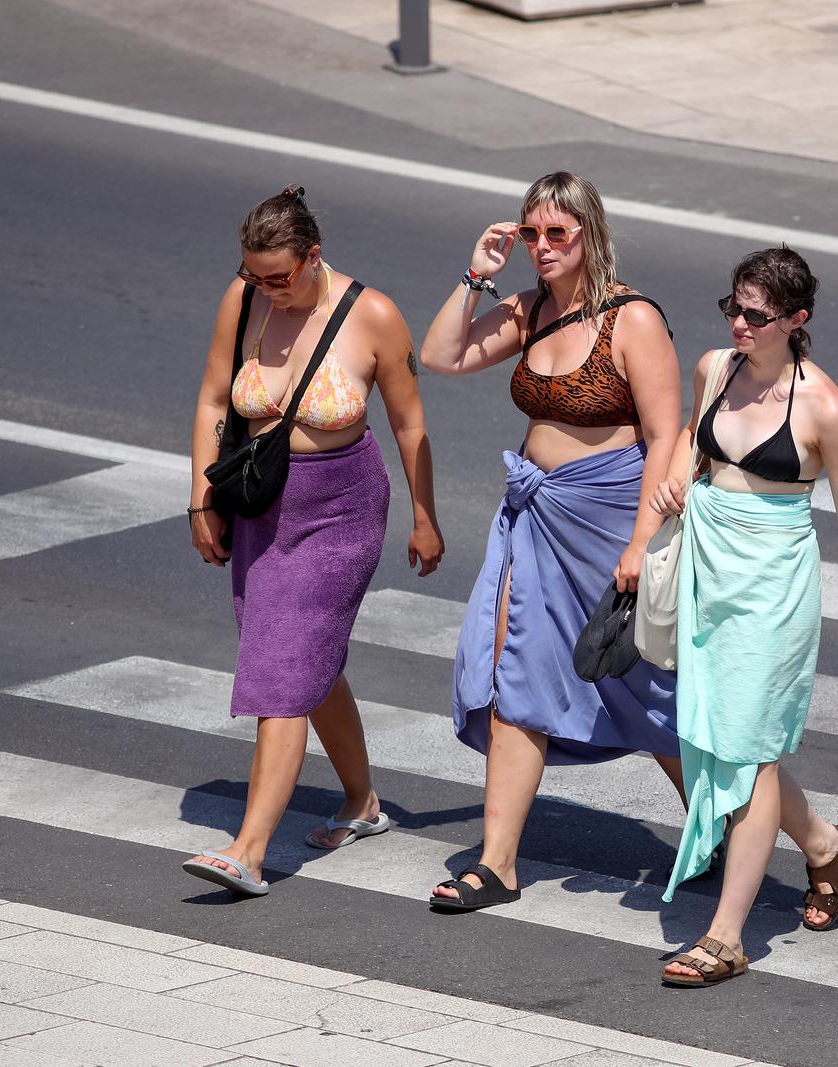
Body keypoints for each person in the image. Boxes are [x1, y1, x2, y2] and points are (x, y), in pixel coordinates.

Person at [419, 172, 685, 911]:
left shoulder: (632, 319)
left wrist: (641, 543)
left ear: (590, 233)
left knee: (648, 689)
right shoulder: (529, 309)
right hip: (534, 517)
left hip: (607, 521)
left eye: (556, 233)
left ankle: (783, 831)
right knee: (515, 668)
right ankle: (498, 861)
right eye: (530, 232)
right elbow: (442, 356)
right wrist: (476, 273)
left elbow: (666, 435)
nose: (540, 246)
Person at [653, 247, 838, 985]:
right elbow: (687, 440)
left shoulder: (824, 407)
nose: (738, 322)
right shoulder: (714, 367)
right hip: (709, 573)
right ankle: (826, 844)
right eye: (731, 307)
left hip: (771, 588)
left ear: (796, 321)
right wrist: (676, 480)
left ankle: (726, 936)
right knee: (724, 744)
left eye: (755, 315)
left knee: (751, 748)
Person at [182, 185, 444, 896]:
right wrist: (200, 495)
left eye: (277, 276)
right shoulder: (243, 300)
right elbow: (213, 396)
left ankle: (248, 848)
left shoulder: (374, 315)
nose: (263, 288)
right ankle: (362, 801)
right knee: (306, 662)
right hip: (261, 508)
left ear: (312, 257)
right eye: (252, 275)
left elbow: (410, 422)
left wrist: (424, 514)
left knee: (282, 671)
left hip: (340, 509)